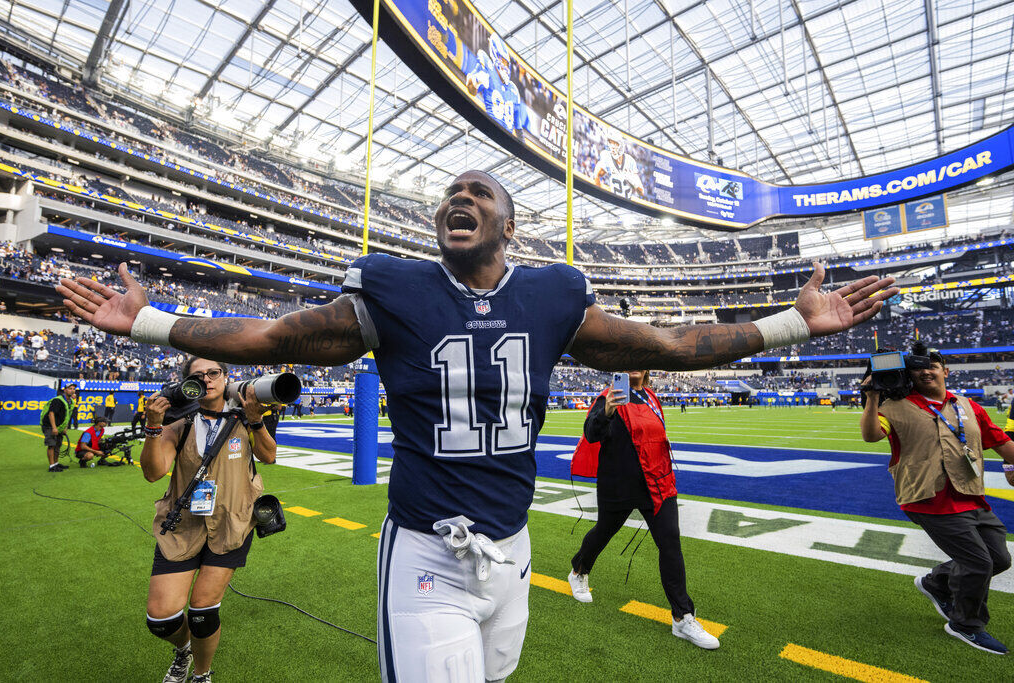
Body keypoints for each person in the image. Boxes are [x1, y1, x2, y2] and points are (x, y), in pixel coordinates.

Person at [58, 169, 897, 682]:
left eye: (478, 193)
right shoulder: (395, 291)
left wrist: (792, 324)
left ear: (506, 225)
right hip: (427, 547)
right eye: (450, 193)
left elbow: (674, 345)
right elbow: (276, 337)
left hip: (513, 549)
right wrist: (149, 322)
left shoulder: (553, 295)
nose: (459, 198)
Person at [860, 344, 1014, 655]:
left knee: (999, 559)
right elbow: (871, 435)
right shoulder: (896, 406)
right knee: (978, 562)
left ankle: (937, 583)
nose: (926, 370)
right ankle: (966, 624)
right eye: (918, 367)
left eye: (934, 364)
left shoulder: (969, 406)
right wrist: (873, 397)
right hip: (927, 498)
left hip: (970, 495)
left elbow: (1001, 441)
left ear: (946, 371)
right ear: (909, 374)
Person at [140, 356, 276, 683]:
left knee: (202, 612)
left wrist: (256, 421)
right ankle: (183, 649)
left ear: (225, 377)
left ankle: (202, 674)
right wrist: (153, 427)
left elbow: (268, 456)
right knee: (160, 619)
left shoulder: (249, 415)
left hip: (233, 521)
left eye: (213, 373)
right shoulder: (179, 422)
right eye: (198, 375)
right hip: (182, 524)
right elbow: (153, 472)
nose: (207, 379)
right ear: (189, 384)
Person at [569, 370, 717, 649]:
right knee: (603, 532)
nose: (633, 366)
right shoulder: (608, 397)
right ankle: (578, 571)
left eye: (639, 360)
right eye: (627, 361)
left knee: (670, 543)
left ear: (647, 367)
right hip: (618, 486)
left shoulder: (651, 397)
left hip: (657, 484)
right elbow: (591, 434)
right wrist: (608, 412)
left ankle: (682, 616)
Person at [41, 383, 76, 472]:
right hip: (50, 426)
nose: (72, 390)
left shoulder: (71, 402)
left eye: (73, 389)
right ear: (65, 390)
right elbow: (51, 413)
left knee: (57, 445)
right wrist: (54, 428)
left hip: (60, 426)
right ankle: (52, 466)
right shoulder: (58, 400)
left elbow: (68, 415)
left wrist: (65, 428)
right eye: (70, 388)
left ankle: (56, 464)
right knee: (51, 445)